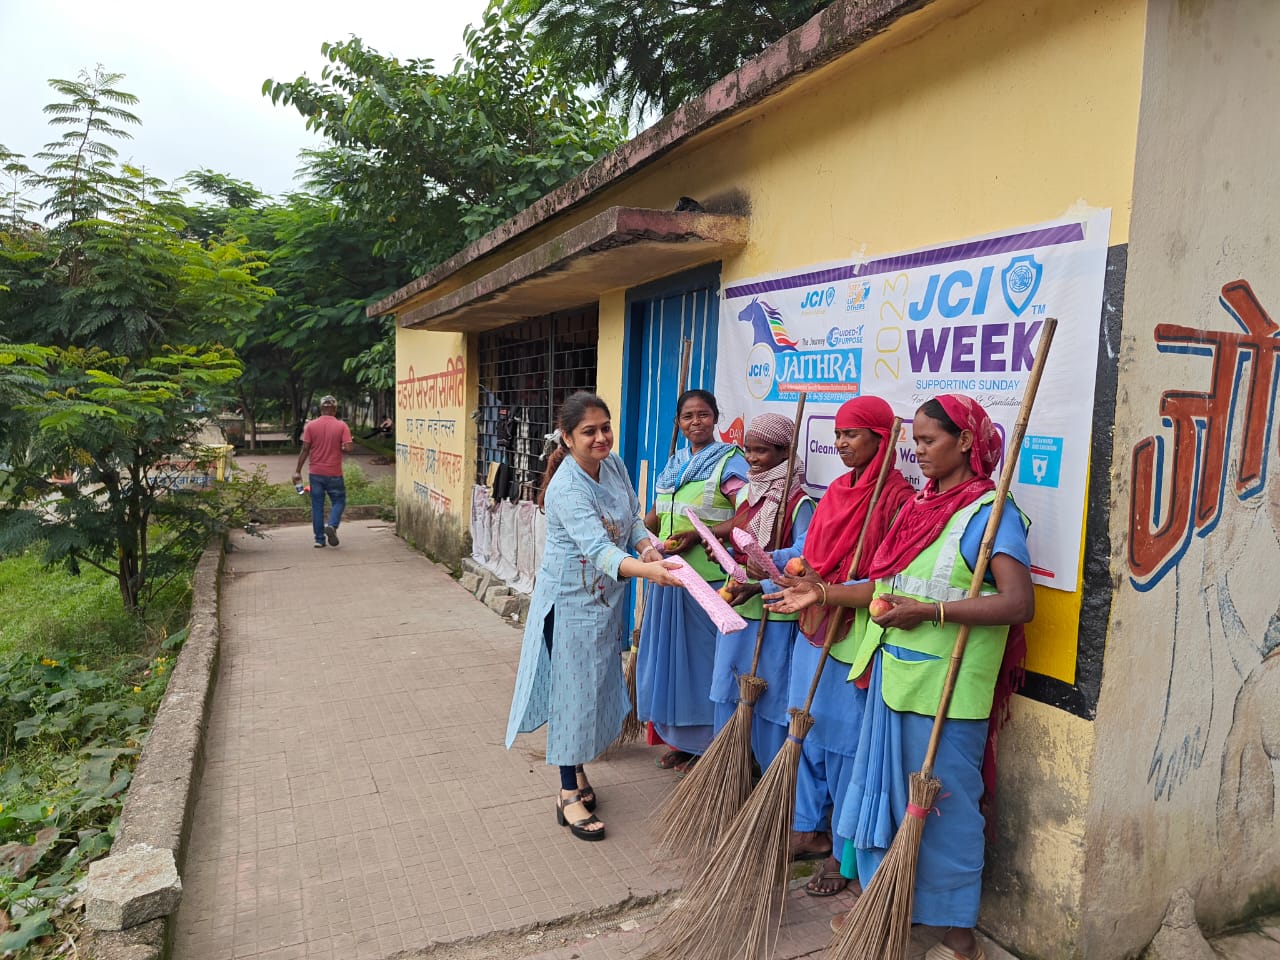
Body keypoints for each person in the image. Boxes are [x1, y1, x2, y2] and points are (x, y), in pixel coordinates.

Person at [768, 394, 1033, 960]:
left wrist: (932, 612)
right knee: (888, 803)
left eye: (930, 440)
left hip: (948, 691)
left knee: (946, 810)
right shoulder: (920, 506)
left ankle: (959, 934)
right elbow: (883, 587)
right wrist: (822, 592)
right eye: (914, 441)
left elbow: (1017, 603)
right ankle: (898, 908)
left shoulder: (988, 514)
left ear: (965, 441)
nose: (921, 451)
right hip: (891, 678)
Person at [505, 392, 684, 842]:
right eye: (589, 431)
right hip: (569, 605)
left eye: (605, 427)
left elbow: (633, 521)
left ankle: (579, 773)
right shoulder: (567, 487)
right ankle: (567, 794)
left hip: (605, 603)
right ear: (567, 438)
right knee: (573, 696)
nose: (601, 437)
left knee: (595, 688)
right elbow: (600, 550)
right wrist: (651, 572)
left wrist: (647, 547)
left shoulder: (615, 465)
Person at [781, 396, 914, 896]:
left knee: (844, 746)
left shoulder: (898, 498)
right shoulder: (835, 490)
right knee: (806, 730)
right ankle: (808, 826)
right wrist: (775, 565)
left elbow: (889, 574)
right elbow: (808, 551)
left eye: (853, 434)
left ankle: (843, 854)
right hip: (812, 618)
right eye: (837, 434)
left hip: (857, 631)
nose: (840, 443)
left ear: (883, 439)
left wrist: (839, 586)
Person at [636, 389, 748, 775]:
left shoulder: (731, 463)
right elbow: (655, 515)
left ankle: (706, 748)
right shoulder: (673, 464)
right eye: (687, 416)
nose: (695, 422)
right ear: (679, 423)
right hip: (669, 578)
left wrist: (702, 535)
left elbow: (746, 516)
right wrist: (630, 533)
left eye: (703, 415)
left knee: (703, 666)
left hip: (709, 582)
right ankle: (678, 742)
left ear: (716, 418)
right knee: (672, 664)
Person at [710, 413, 813, 773]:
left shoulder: (799, 502)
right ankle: (729, 770)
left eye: (763, 452)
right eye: (748, 451)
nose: (753, 459)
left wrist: (764, 568)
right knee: (729, 686)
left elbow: (803, 553)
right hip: (737, 605)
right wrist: (724, 553)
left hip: (773, 609)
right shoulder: (748, 493)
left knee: (769, 697)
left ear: (785, 451)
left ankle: (767, 773)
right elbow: (739, 538)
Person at [292, 395, 353, 549]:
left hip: (316, 473)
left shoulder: (311, 426)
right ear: (334, 408)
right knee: (339, 501)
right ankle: (332, 526)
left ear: (321, 408)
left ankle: (319, 540)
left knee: (317, 506)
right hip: (334, 473)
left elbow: (305, 449)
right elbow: (348, 448)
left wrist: (297, 471)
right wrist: (343, 446)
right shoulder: (342, 426)